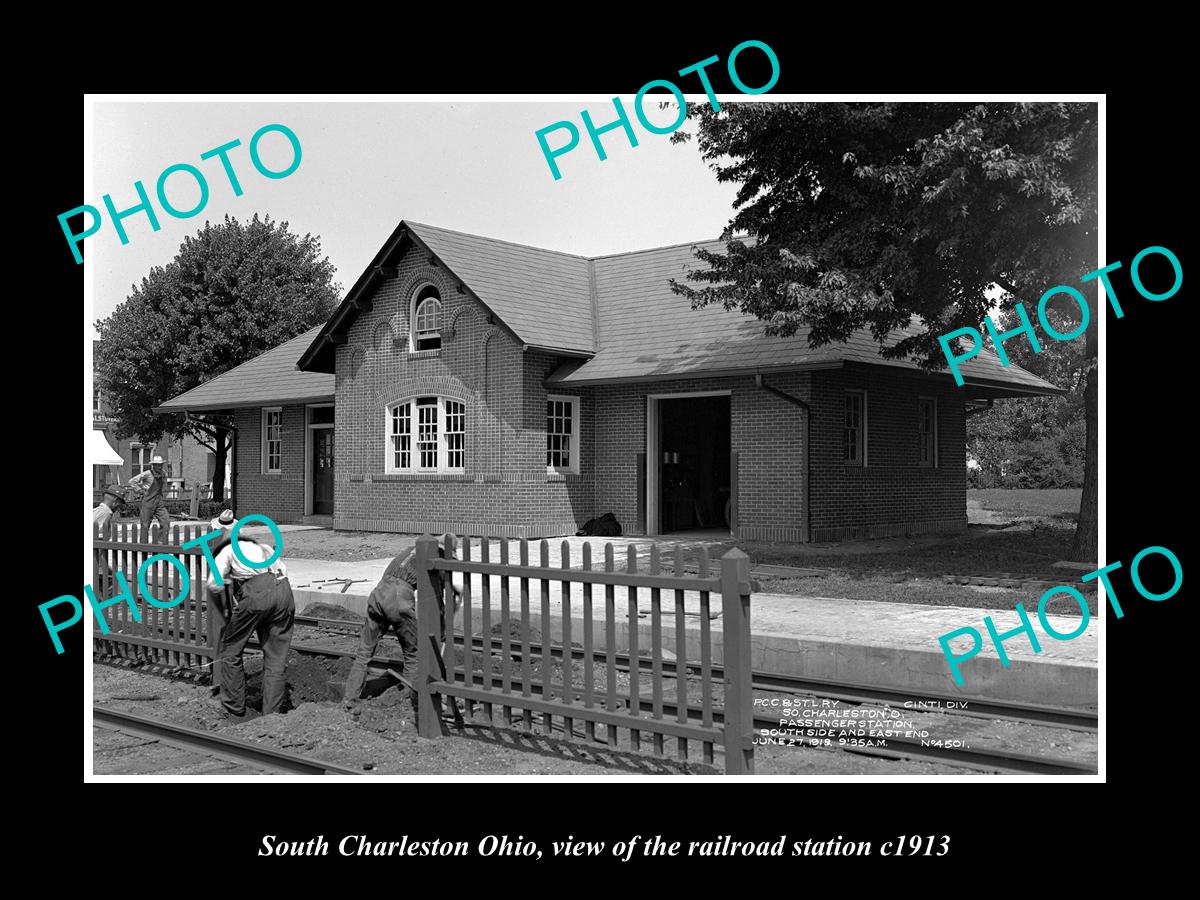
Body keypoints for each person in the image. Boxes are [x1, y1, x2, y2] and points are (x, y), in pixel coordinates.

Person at [343, 538, 463, 710]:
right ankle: (407, 700)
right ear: (443, 551)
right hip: (398, 598)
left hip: (377, 594)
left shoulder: (410, 550)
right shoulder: (433, 560)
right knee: (414, 652)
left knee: (364, 651)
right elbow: (437, 602)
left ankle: (350, 699)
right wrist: (442, 630)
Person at [206, 526, 294, 717]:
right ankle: (272, 714)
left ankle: (234, 706)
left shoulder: (228, 550)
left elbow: (214, 584)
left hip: (257, 594)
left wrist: (224, 609)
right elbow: (283, 572)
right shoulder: (265, 548)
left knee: (231, 648)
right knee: (275, 657)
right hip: (284, 592)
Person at [127, 455, 171, 544]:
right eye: (157, 465)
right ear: (153, 465)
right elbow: (132, 481)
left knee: (166, 522)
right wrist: (140, 491)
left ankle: (159, 543)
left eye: (161, 464)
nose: (160, 466)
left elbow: (164, 485)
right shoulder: (147, 473)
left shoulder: (163, 474)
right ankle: (144, 546)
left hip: (159, 502)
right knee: (145, 525)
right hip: (148, 502)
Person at [92, 487, 124, 596]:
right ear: (115, 501)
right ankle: (104, 600)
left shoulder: (97, 510)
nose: (119, 507)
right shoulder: (106, 513)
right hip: (96, 552)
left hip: (96, 552)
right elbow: (99, 536)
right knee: (110, 577)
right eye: (120, 503)